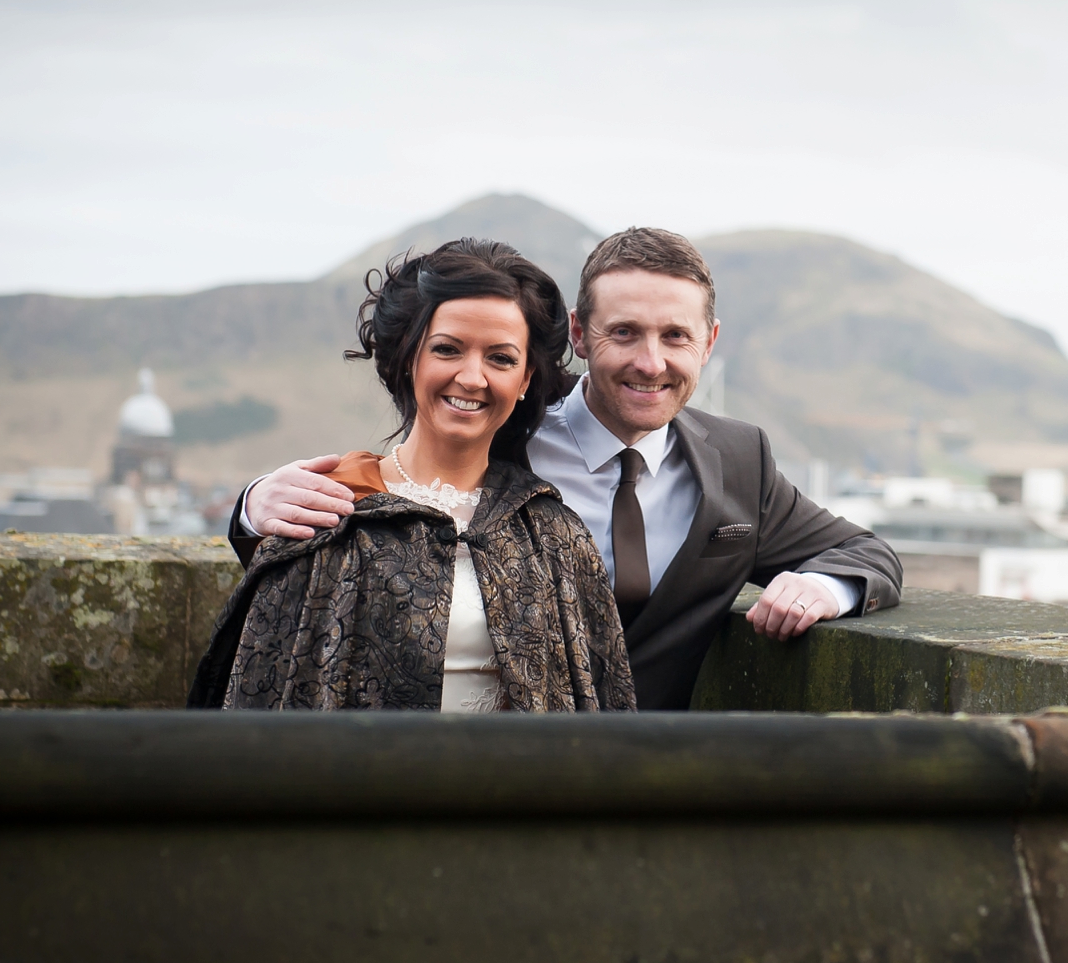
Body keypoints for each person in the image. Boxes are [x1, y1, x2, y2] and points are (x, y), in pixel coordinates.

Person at [235, 227, 902, 710]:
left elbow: (863, 551)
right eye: (625, 333)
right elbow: (381, 506)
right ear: (580, 335)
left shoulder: (738, 460)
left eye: (675, 335)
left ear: (710, 342)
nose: (650, 361)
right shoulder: (499, 428)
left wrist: (825, 589)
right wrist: (252, 504)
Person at [188, 239, 635, 713]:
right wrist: (252, 505)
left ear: (525, 379)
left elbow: (599, 708)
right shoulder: (333, 508)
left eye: (501, 358)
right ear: (408, 355)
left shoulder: (554, 533)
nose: (472, 377)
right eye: (447, 349)